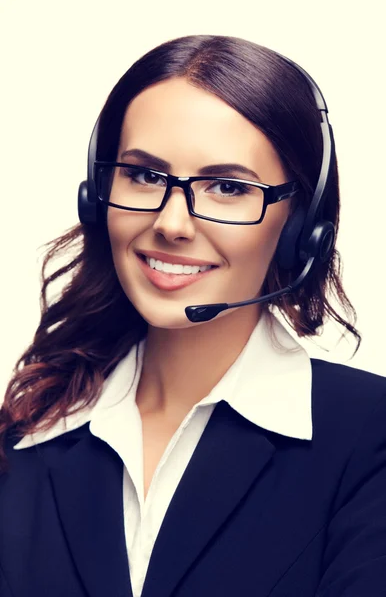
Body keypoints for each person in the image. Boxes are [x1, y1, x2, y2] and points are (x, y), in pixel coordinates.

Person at [0, 34, 386, 597]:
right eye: (146, 176)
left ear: (300, 227)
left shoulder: (370, 438)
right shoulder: (27, 440)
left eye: (228, 187)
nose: (173, 224)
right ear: (97, 196)